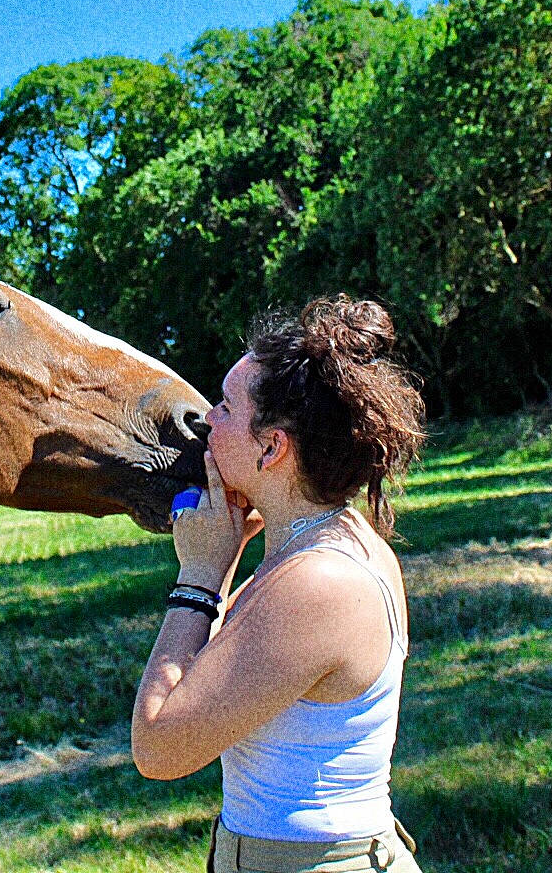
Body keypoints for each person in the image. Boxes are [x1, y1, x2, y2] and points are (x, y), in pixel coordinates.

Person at [132, 295, 428, 873]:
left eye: (225, 406)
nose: (208, 420)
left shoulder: (320, 581)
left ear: (272, 447)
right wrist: (225, 555)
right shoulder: (327, 544)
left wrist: (200, 576)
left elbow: (159, 747)